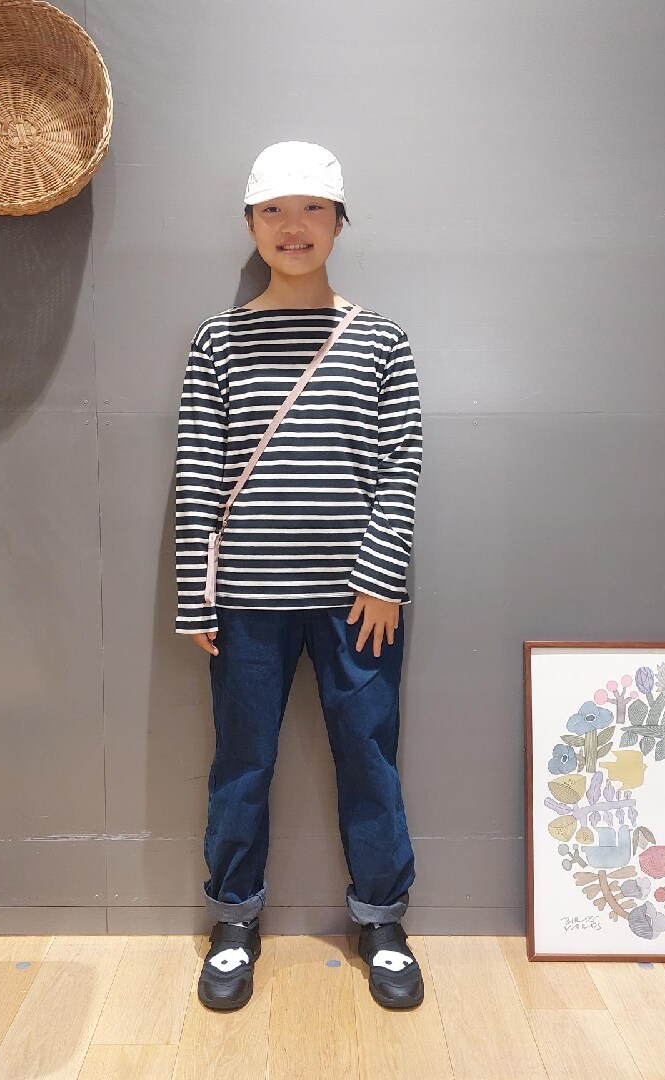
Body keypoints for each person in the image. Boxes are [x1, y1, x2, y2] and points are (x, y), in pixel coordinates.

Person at [174, 141, 424, 1011]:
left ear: (339, 222)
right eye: (274, 210)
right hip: (246, 600)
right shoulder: (218, 340)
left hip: (360, 600)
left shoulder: (382, 340)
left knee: (369, 758)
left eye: (312, 208)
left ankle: (382, 920)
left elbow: (400, 462)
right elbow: (199, 471)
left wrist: (383, 576)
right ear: (250, 224)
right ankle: (234, 918)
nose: (293, 226)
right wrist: (195, 594)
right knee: (242, 761)